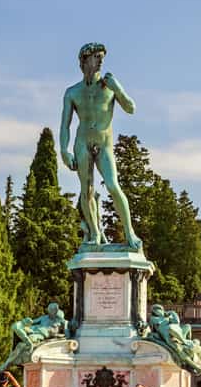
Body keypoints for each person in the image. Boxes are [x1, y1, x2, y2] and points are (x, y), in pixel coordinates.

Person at [60, 42, 141, 249]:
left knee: (113, 186)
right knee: (86, 191)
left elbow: (131, 108)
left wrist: (118, 89)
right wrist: (64, 151)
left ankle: (130, 234)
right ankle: (95, 234)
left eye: (102, 57)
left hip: (104, 144)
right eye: (96, 56)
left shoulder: (109, 86)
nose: (101, 60)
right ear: (84, 60)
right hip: (82, 143)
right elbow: (65, 125)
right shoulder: (72, 92)